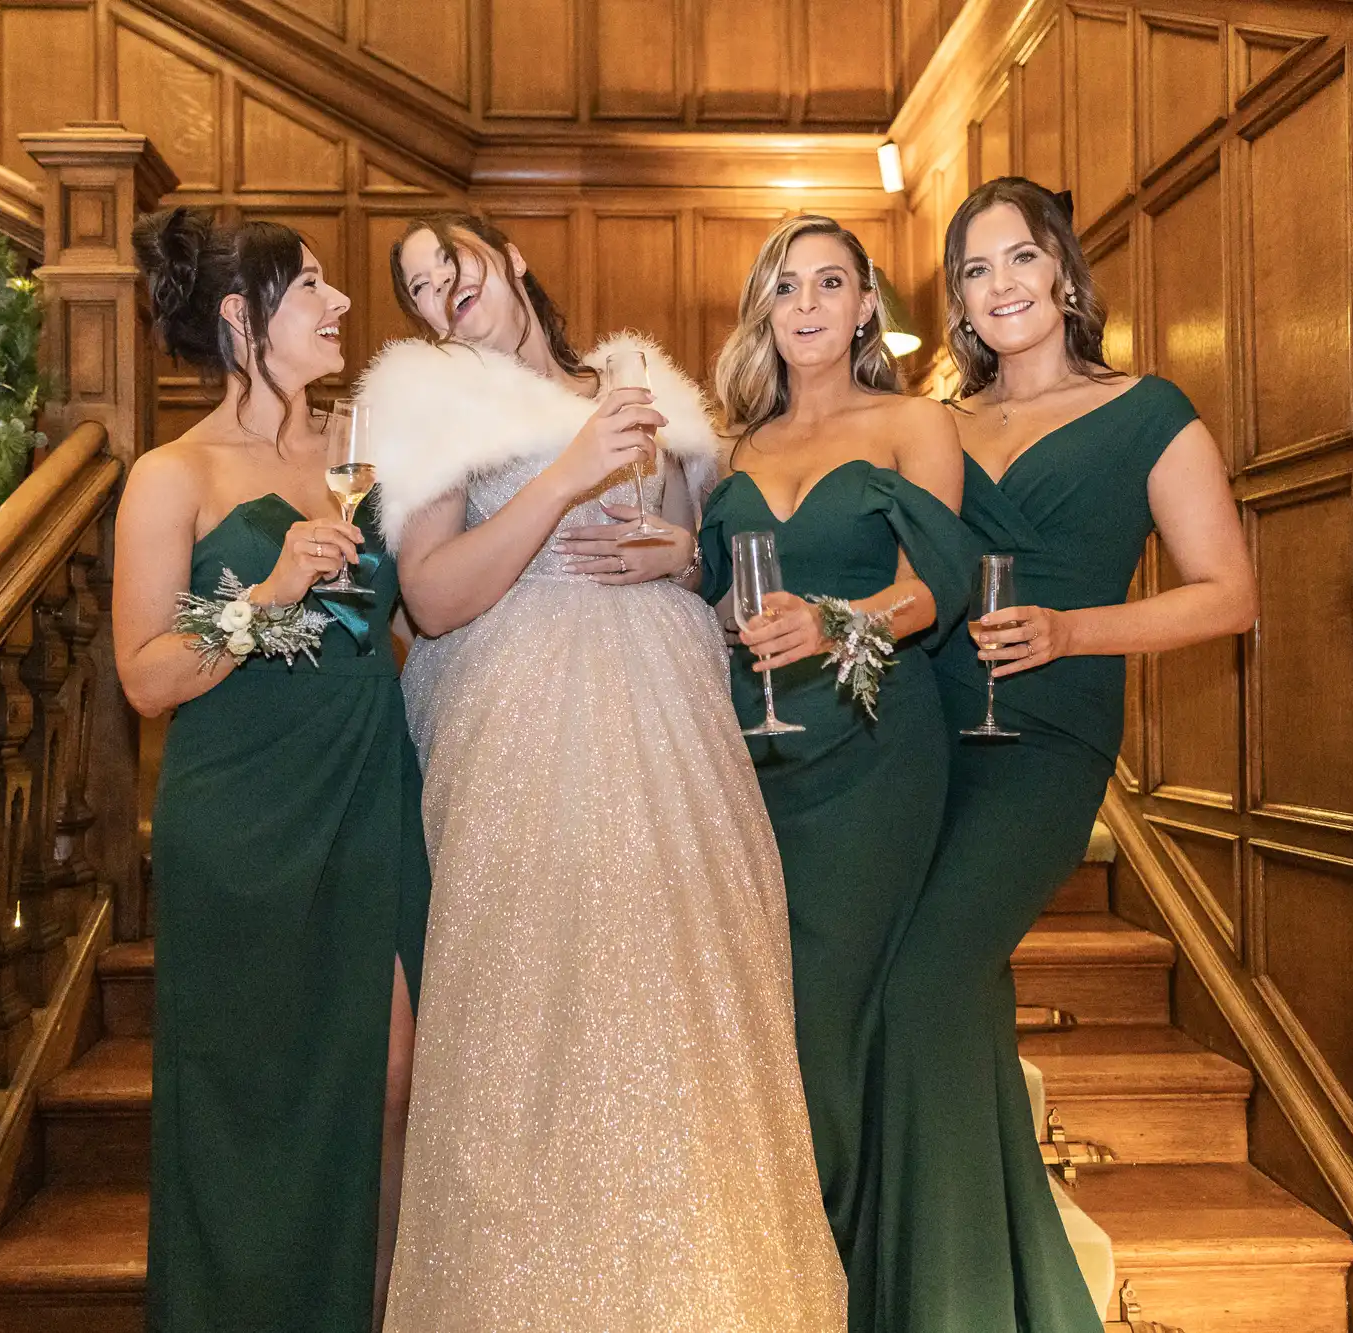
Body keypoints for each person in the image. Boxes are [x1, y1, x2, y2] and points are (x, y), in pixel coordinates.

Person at [358, 213, 844, 1332]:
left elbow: (683, 552)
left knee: (684, 1008)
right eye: (419, 290)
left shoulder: (637, 379)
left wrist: (680, 555)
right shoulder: (436, 404)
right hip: (520, 721)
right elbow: (430, 596)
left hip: (669, 719)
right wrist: (564, 474)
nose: (443, 294)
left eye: (455, 265)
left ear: (513, 259)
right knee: (533, 1019)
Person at [877, 176, 1257, 1331]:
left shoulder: (1149, 412)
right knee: (954, 1006)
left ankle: (938, 1293)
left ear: (1061, 272)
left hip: (1044, 739)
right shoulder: (935, 420)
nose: (998, 286)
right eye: (973, 271)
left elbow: (1228, 596)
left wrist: (1071, 631)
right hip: (920, 728)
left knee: (920, 987)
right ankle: (1008, 1295)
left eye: (1016, 259)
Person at [115, 208, 428, 1333]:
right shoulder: (171, 473)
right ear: (243, 319)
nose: (340, 305)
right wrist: (263, 597)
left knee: (391, 1086)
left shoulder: (356, 459)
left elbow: (412, 612)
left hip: (369, 795)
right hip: (244, 824)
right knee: (250, 1106)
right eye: (311, 289)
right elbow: (146, 675)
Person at [698, 214, 979, 1333]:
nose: (806, 304)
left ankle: (839, 1287)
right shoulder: (729, 448)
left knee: (828, 1014)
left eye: (830, 283)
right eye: (785, 286)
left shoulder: (915, 423)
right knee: (754, 1019)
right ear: (764, 310)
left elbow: (933, 588)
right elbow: (711, 600)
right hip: (744, 753)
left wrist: (830, 621)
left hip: (869, 748)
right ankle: (770, 1273)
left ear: (868, 306)